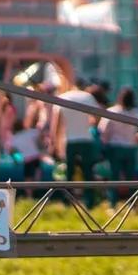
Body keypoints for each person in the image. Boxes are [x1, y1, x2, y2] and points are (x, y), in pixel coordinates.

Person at [97, 87, 138, 210]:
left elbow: (102, 131)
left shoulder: (112, 111)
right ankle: (133, 204)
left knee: (114, 177)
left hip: (114, 146)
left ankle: (113, 204)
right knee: (130, 177)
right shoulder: (136, 112)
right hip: (131, 147)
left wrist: (105, 142)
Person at [52, 79, 100, 209]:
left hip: (70, 139)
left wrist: (55, 143)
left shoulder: (63, 97)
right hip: (85, 138)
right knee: (88, 172)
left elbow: (57, 124)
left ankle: (67, 200)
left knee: (69, 172)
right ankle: (90, 201)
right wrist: (91, 124)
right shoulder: (88, 97)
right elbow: (97, 116)